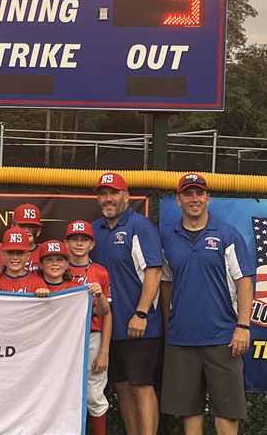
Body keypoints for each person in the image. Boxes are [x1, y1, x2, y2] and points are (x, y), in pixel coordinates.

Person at [159, 173, 255, 435]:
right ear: (178, 199)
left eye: (199, 194)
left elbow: (244, 283)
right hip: (182, 339)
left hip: (223, 337)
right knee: (189, 410)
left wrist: (243, 326)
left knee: (227, 410)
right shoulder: (167, 237)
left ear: (208, 199)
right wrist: (170, 328)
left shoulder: (227, 235)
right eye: (188, 194)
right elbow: (165, 283)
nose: (194, 199)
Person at [89, 172, 164, 435]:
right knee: (121, 387)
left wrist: (141, 314)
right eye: (103, 194)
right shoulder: (94, 229)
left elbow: (155, 272)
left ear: (126, 196)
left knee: (141, 387)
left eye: (113, 193)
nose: (108, 199)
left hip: (139, 326)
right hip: (109, 327)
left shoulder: (141, 227)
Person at [65, 220, 114, 435]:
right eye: (74, 239)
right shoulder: (56, 266)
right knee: (64, 392)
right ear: (66, 243)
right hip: (63, 339)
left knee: (94, 394)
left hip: (92, 335)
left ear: (92, 245)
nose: (79, 243)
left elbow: (107, 313)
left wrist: (104, 351)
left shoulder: (100, 272)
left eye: (84, 240)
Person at [0, 203, 45, 286]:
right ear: (12, 227)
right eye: (22, 226)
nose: (27, 230)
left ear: (38, 231)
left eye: (32, 226)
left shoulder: (44, 250)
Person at [0, 229, 47, 293]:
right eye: (10, 252)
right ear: (2, 255)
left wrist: (43, 293)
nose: (15, 257)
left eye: (20, 253)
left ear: (28, 256)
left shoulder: (37, 283)